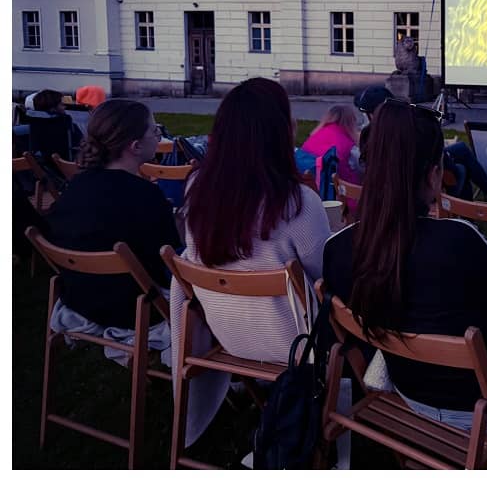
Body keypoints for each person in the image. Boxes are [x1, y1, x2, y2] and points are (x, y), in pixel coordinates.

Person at [323, 99, 487, 429]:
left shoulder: (339, 248)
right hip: (479, 409)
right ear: (433, 176)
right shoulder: (459, 242)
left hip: (407, 391)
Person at [183, 78, 331, 364]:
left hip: (227, 334)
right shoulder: (297, 202)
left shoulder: (197, 187)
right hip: (295, 344)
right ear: (280, 132)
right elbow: (325, 277)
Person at [45, 99, 180, 329]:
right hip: (134, 309)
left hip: (80, 298)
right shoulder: (145, 194)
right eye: (154, 130)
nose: (158, 136)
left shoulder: (75, 185)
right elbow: (170, 260)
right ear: (135, 146)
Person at [357, 85, 487, 206]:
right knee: (461, 167)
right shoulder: (401, 131)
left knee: (460, 152)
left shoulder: (369, 136)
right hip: (416, 186)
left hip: (393, 188)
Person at [302, 104, 362, 186]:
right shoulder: (349, 146)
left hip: (311, 185)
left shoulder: (314, 136)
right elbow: (361, 166)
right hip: (339, 190)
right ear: (352, 122)